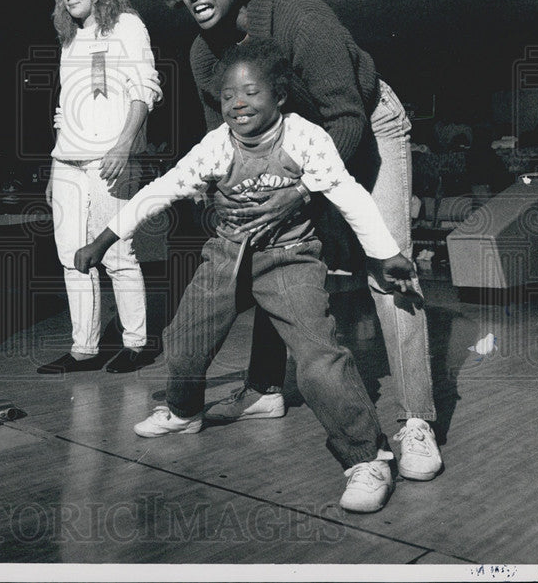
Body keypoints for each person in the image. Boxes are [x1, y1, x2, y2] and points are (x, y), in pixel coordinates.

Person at [75, 39, 413, 513]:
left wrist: (387, 253)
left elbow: (348, 194)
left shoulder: (305, 138)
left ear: (279, 95)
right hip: (227, 254)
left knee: (318, 358)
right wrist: (104, 239)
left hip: (289, 256)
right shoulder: (217, 145)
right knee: (183, 340)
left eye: (251, 93)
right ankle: (185, 411)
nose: (237, 104)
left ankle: (367, 456)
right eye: (228, 96)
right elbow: (162, 189)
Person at [162, 0, 442, 481]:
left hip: (365, 126)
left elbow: (346, 117)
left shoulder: (299, 17)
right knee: (270, 247)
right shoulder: (202, 55)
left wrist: (298, 192)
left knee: (386, 270)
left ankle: (417, 422)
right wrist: (218, 201)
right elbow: (221, 145)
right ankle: (265, 388)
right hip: (295, 146)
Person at [38, 0, 163, 375]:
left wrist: (123, 146)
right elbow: (64, 106)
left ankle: (137, 343)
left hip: (110, 157)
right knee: (72, 256)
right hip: (67, 160)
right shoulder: (70, 39)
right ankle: (83, 349)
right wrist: (57, 162)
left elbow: (144, 89)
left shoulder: (127, 26)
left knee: (117, 254)